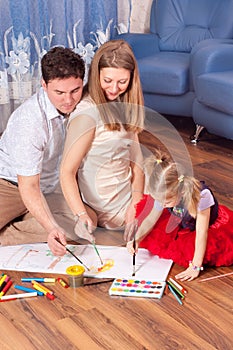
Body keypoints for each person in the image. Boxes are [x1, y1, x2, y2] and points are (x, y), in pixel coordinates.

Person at [0, 46, 85, 256]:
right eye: (59, 93)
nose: (68, 100)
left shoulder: (82, 103)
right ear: (44, 85)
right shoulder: (29, 121)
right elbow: (28, 185)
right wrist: (50, 227)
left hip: (46, 189)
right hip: (9, 184)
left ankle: (10, 233)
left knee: (83, 226)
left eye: (75, 90)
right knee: (57, 228)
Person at [60, 39, 145, 243]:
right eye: (107, 80)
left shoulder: (124, 105)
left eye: (122, 82)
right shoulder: (87, 113)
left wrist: (136, 206)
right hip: (99, 206)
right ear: (96, 74)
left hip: (128, 198)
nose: (114, 88)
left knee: (195, 211)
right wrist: (81, 215)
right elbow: (67, 171)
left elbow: (138, 165)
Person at [126, 150, 233, 281]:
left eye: (167, 201)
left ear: (181, 192)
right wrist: (137, 237)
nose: (162, 205)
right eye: (159, 201)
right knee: (153, 229)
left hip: (207, 226)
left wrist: (195, 266)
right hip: (183, 220)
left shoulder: (202, 196)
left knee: (198, 251)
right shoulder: (165, 198)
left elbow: (201, 233)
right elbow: (151, 218)